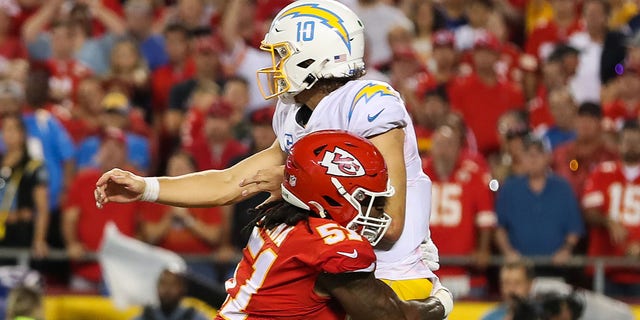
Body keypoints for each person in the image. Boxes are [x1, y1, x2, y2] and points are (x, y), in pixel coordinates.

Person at [95, 0, 451, 313]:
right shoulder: (294, 111)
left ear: (315, 54)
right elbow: (230, 181)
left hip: (387, 282)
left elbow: (388, 224)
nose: (274, 63)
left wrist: (291, 184)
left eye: (282, 53)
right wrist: (145, 187)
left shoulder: (369, 103)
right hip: (330, 277)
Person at [216, 130, 445, 319]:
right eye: (365, 198)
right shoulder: (333, 246)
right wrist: (440, 301)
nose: (377, 210)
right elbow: (391, 316)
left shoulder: (278, 220)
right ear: (332, 195)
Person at [582, 120, 640, 298]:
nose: (631, 147)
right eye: (627, 141)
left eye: (636, 142)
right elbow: (589, 211)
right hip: (607, 266)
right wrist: (608, 221)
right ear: (619, 143)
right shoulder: (602, 172)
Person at [132, 269, 208, 320]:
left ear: (182, 288)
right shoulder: (146, 316)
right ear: (157, 287)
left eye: (172, 284)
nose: (167, 290)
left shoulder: (193, 316)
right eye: (163, 284)